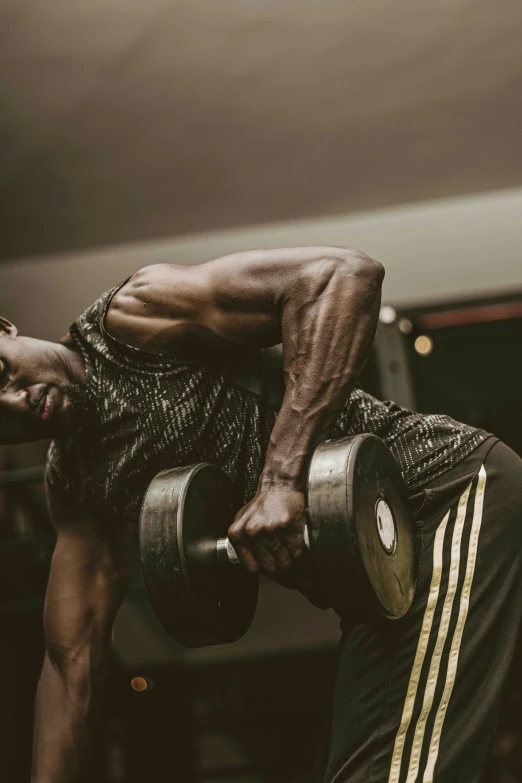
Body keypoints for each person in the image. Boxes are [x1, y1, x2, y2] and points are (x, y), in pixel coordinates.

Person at [0, 246, 520, 783]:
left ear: (4, 328)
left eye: (0, 372)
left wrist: (280, 481)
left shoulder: (135, 319)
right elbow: (71, 664)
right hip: (376, 582)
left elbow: (341, 275)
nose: (13, 403)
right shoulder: (78, 484)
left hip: (444, 491)